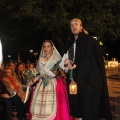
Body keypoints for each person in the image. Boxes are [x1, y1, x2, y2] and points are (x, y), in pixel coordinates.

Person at [62, 18, 112, 120]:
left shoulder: (90, 41)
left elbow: (94, 64)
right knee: (80, 112)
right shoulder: (70, 44)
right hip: (76, 83)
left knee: (89, 112)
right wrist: (66, 64)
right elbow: (65, 66)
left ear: (81, 26)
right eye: (71, 25)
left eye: (76, 24)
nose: (74, 26)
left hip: (90, 83)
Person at [28, 40, 72, 120]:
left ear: (52, 48)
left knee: (52, 107)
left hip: (54, 83)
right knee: (39, 109)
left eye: (48, 46)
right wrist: (33, 80)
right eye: (44, 46)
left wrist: (67, 64)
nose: (46, 48)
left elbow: (65, 71)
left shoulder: (57, 59)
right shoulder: (41, 59)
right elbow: (40, 74)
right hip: (42, 85)